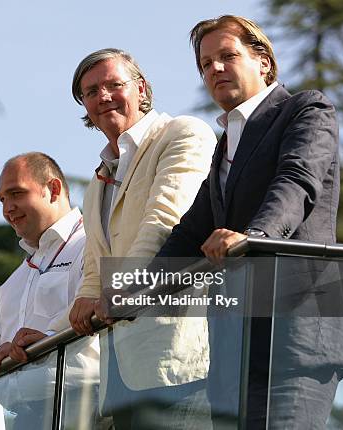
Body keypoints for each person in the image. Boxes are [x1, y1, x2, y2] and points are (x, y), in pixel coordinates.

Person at [157, 15, 343, 428]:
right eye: (206, 64)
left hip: (297, 334)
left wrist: (254, 238)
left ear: (263, 61)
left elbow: (297, 181)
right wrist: (125, 295)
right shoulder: (225, 143)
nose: (216, 69)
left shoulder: (306, 108)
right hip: (234, 352)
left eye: (227, 56)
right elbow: (190, 232)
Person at [67, 48, 217, 428]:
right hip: (119, 368)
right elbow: (96, 259)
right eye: (90, 92)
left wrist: (117, 289)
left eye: (114, 84)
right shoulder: (97, 182)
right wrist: (86, 293)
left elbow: (166, 222)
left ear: (142, 88)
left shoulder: (183, 133)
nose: (103, 97)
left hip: (177, 356)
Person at [0, 152, 101, 428]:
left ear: (54, 189)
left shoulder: (96, 243)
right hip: (23, 416)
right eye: (2, 199)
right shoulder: (12, 284)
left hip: (88, 406)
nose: (7, 208)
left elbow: (102, 330)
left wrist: (47, 339)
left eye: (16, 194)